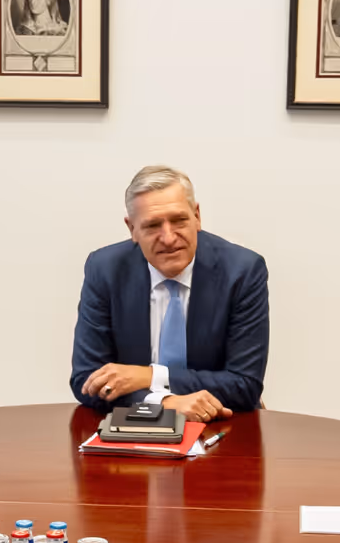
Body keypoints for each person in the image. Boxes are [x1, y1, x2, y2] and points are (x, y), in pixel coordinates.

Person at [70, 164, 269, 424]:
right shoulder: (105, 270)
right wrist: (162, 403)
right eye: (153, 225)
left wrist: (150, 376)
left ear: (197, 216)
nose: (168, 238)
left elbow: (245, 383)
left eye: (179, 220)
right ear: (132, 229)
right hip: (135, 426)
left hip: (221, 425)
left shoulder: (242, 271)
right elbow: (87, 379)